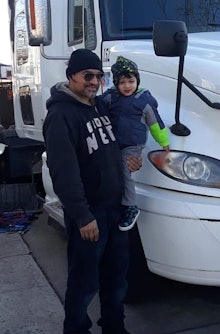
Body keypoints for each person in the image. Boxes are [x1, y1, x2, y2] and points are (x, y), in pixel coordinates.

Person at [43, 49, 141, 334]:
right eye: (88, 75)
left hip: (115, 209)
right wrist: (83, 216)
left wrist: (131, 159)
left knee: (116, 278)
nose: (94, 81)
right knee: (84, 281)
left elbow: (115, 144)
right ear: (71, 76)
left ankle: (114, 327)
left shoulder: (99, 106)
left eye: (99, 76)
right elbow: (63, 172)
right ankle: (75, 329)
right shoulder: (61, 115)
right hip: (91, 213)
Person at [100, 55, 170, 231]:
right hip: (115, 143)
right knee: (111, 171)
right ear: (116, 83)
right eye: (122, 82)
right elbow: (96, 107)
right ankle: (115, 202)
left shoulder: (144, 100)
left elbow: (155, 123)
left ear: (137, 80)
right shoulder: (111, 98)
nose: (127, 86)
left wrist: (164, 141)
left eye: (131, 81)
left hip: (133, 144)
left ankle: (131, 205)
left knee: (124, 171)